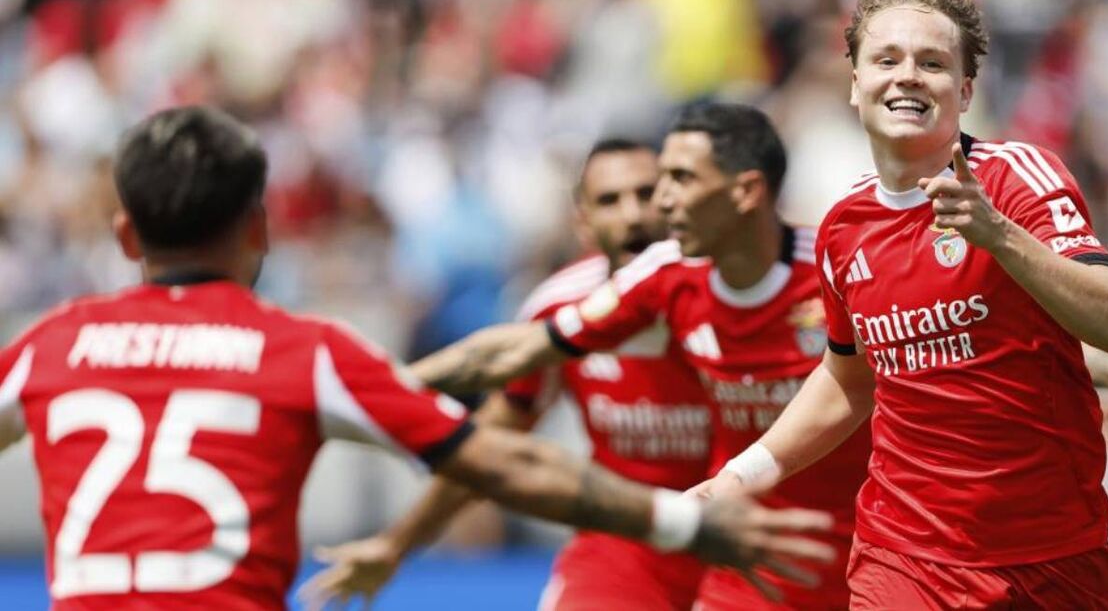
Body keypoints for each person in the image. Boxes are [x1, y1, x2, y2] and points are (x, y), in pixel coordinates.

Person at [0, 106, 838, 610]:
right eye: (612, 200)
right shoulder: (298, 354)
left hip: (786, 524)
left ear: (124, 235)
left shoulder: (48, 344)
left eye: (655, 191)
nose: (642, 215)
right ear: (260, 226)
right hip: (655, 539)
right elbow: (502, 444)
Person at [692, 0, 1108, 609]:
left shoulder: (1018, 177)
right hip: (904, 558)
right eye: (887, 59)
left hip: (1053, 555)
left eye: (931, 63)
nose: (907, 74)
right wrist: (740, 475)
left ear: (964, 92)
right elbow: (848, 377)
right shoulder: (842, 227)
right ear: (855, 84)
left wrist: (999, 236)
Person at [381, 103, 875, 609]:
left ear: (745, 191)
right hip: (674, 550)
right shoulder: (639, 282)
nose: (649, 209)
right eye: (612, 200)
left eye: (672, 181)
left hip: (839, 542)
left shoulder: (841, 274)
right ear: (582, 221)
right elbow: (500, 405)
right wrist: (375, 390)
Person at [303, 139, 713, 610]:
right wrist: (396, 543)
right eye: (609, 200)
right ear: (583, 222)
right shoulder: (559, 306)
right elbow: (489, 448)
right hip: (623, 550)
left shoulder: (729, 296)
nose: (633, 215)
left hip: (739, 540)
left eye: (646, 194)